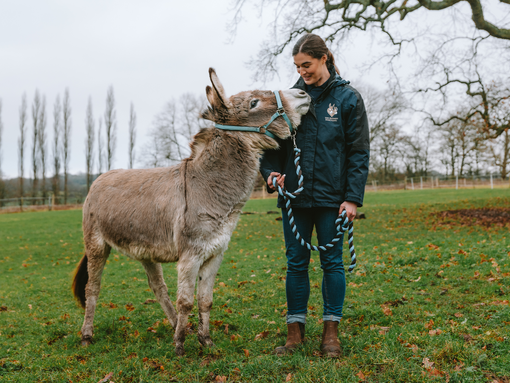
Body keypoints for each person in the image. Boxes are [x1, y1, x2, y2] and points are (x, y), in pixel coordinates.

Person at [259, 33, 370, 357]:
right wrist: (271, 174)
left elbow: (358, 152)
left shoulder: (348, 99)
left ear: (324, 58)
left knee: (331, 263)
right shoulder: (288, 101)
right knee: (296, 264)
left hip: (332, 198)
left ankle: (330, 334)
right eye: (297, 66)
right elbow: (272, 146)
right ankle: (295, 334)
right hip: (294, 197)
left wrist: (352, 198)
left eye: (306, 64)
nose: (302, 71)